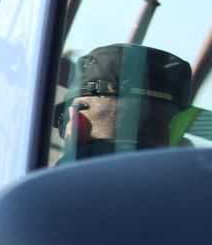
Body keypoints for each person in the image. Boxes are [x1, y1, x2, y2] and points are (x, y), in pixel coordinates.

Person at [55, 42, 194, 161]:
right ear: (181, 143)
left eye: (63, 121)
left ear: (76, 124)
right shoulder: (197, 188)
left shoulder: (50, 187)